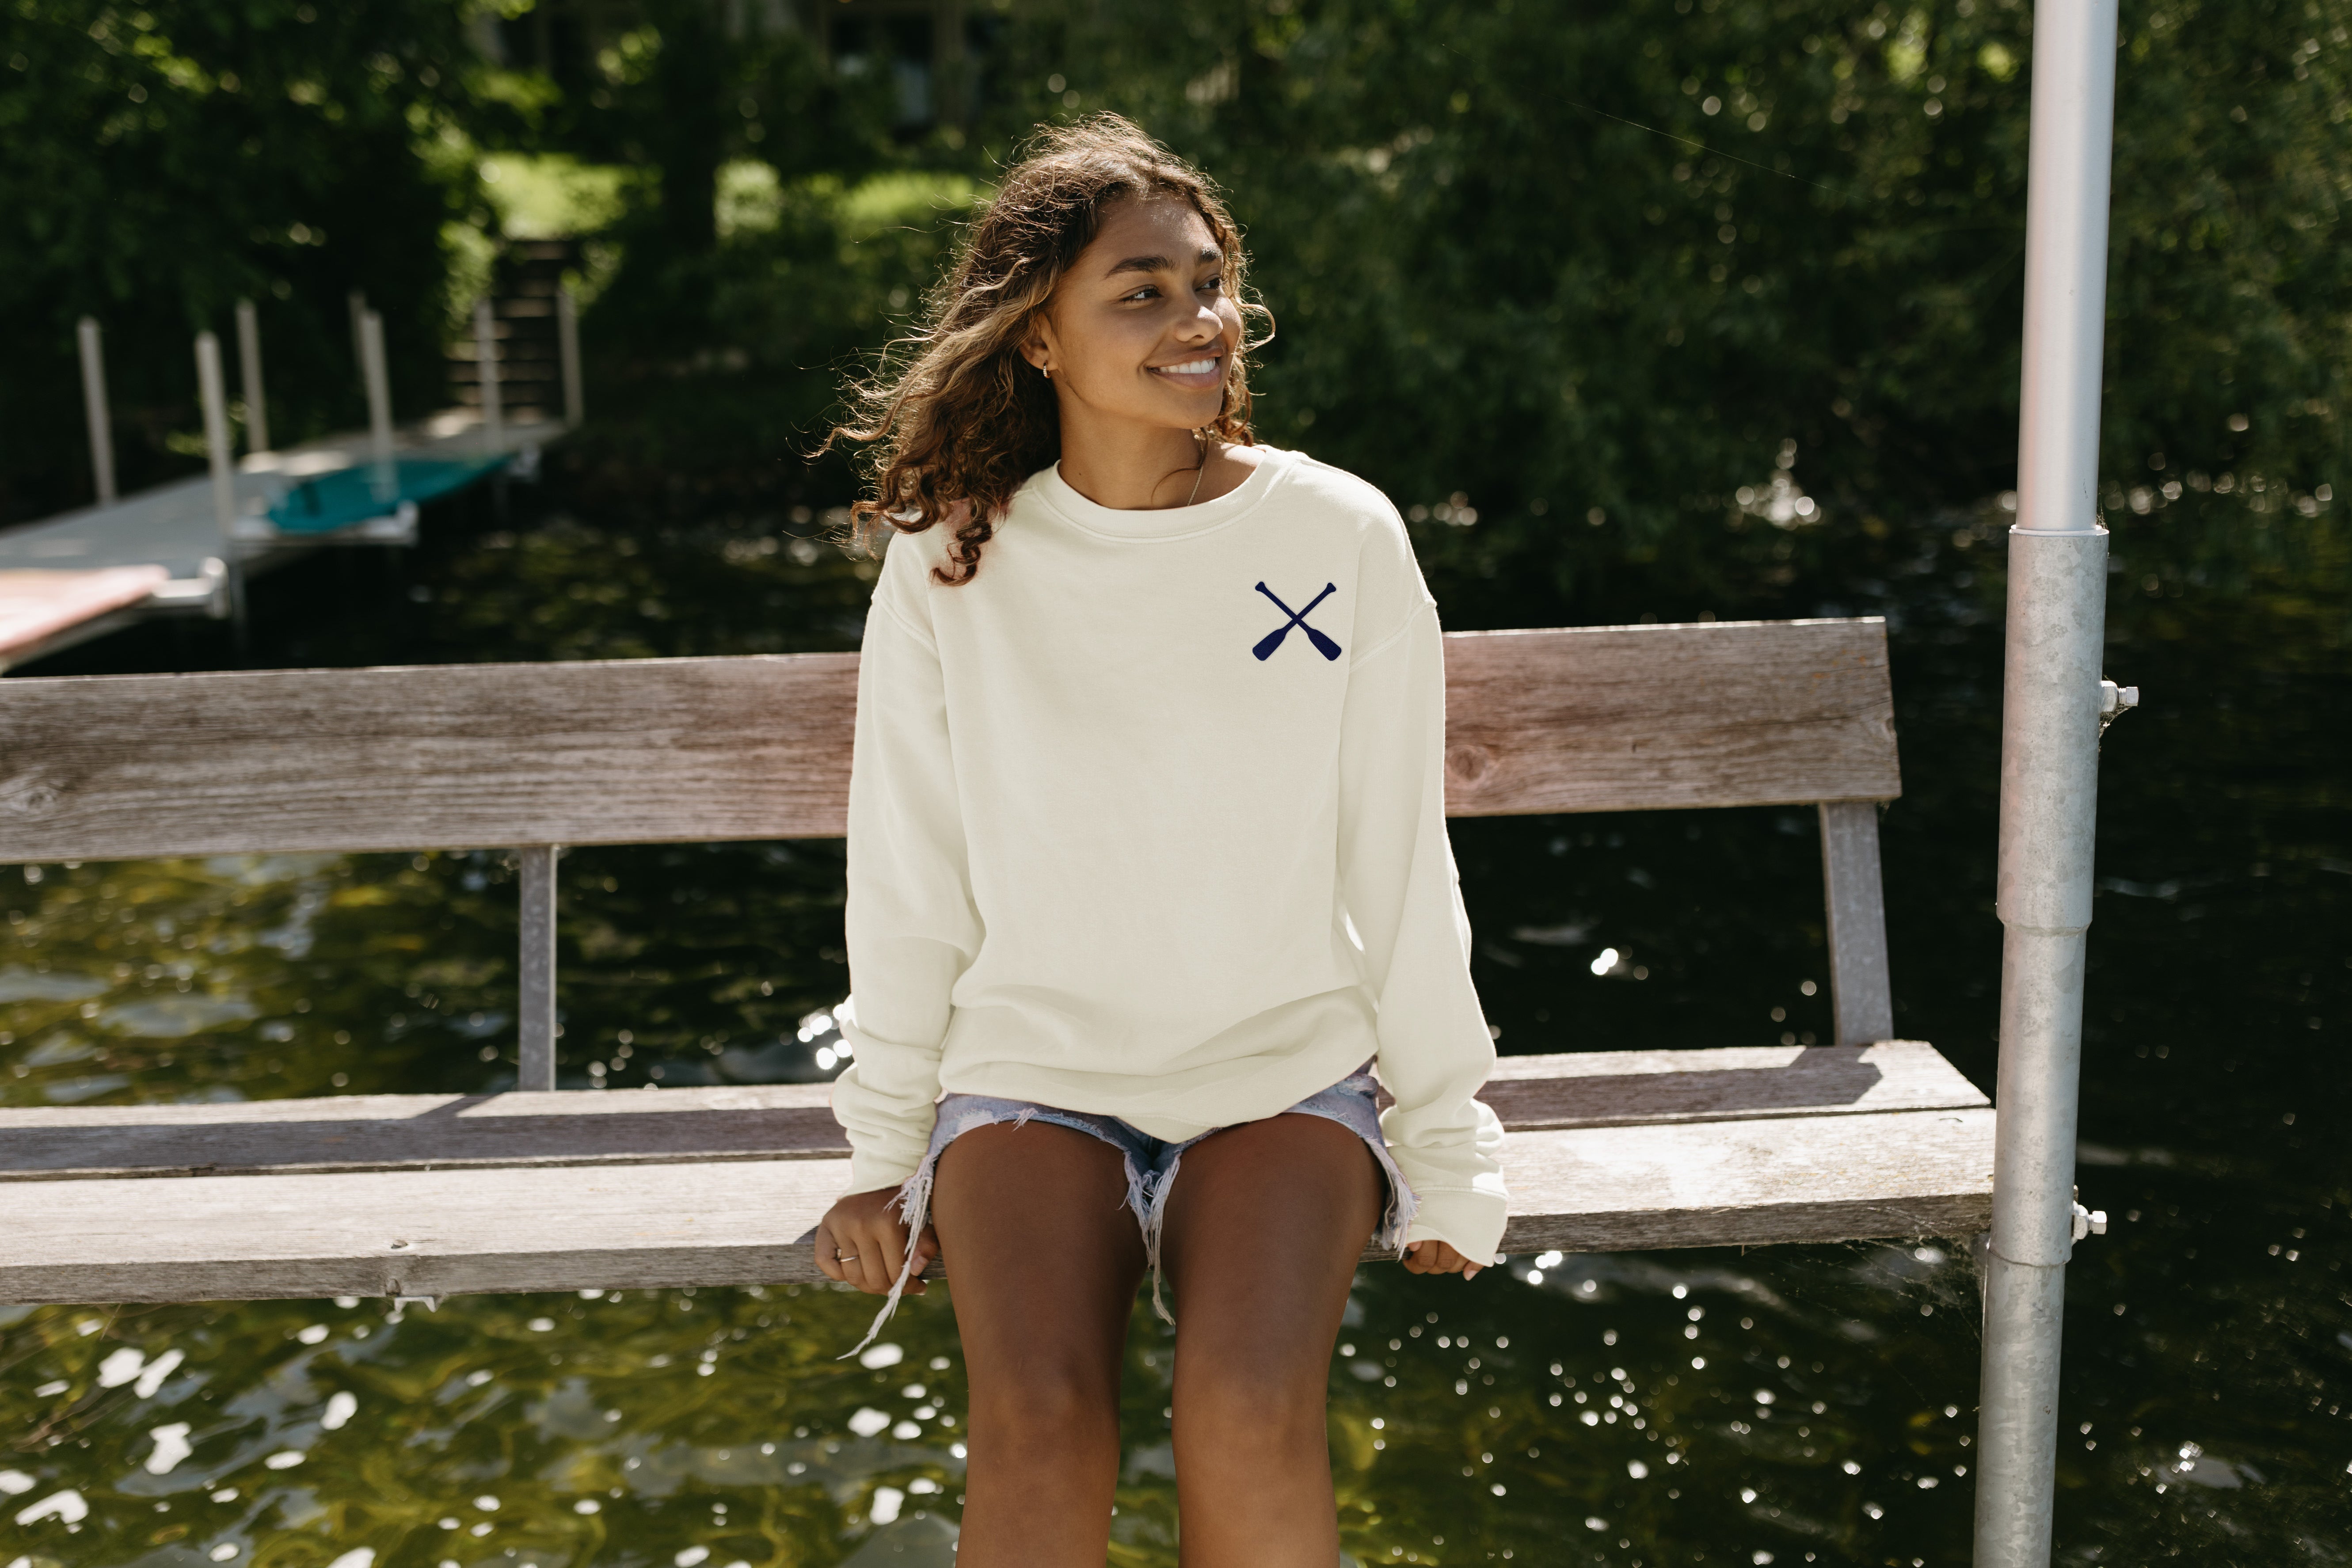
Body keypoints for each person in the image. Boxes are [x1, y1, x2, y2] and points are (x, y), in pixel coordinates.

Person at [814, 114, 1508, 1567]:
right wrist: (881, 1151)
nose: (1200, 320)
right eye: (1142, 292)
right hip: (1029, 1078)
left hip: (1281, 1074)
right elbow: (909, 876)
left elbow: (1396, 856)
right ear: (1038, 336)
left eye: (1209, 283)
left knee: (1247, 1411)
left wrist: (1446, 1143)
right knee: (1039, 1420)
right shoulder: (950, 558)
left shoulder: (1337, 533)